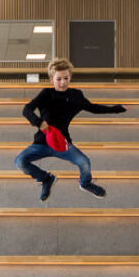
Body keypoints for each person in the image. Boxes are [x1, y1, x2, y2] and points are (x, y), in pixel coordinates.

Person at [17, 58, 127, 201]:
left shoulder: (76, 95)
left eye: (66, 78)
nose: (63, 82)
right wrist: (38, 122)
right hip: (42, 142)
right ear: (51, 79)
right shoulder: (46, 94)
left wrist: (119, 108)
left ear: (70, 78)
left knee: (84, 162)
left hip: (63, 142)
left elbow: (94, 108)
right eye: (58, 79)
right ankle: (46, 179)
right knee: (20, 162)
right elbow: (27, 109)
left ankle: (85, 183)